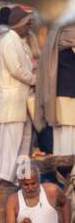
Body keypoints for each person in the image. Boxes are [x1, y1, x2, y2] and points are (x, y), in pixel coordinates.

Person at [0, 7, 38, 185]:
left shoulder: (20, 42)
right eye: (27, 23)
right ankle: (5, 176)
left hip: (24, 100)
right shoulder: (8, 41)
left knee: (25, 142)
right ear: (19, 23)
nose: (29, 26)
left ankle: (19, 178)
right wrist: (35, 80)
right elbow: (16, 70)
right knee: (11, 141)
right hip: (13, 100)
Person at [39, 20, 75, 158]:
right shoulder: (71, 47)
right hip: (69, 97)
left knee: (60, 134)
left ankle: (62, 170)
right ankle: (69, 172)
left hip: (59, 95)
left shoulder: (57, 47)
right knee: (69, 135)